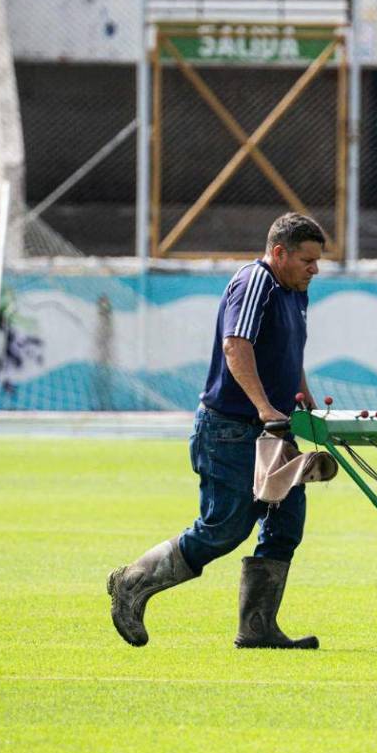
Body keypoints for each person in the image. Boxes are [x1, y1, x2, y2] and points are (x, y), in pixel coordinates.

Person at [108, 212, 326, 649]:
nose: (315, 269)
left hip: (273, 431)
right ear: (279, 253)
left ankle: (257, 628)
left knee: (286, 523)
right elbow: (235, 345)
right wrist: (264, 407)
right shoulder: (256, 282)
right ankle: (133, 581)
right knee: (225, 527)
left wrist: (303, 397)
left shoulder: (294, 291)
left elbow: (289, 351)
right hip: (230, 428)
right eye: (307, 260)